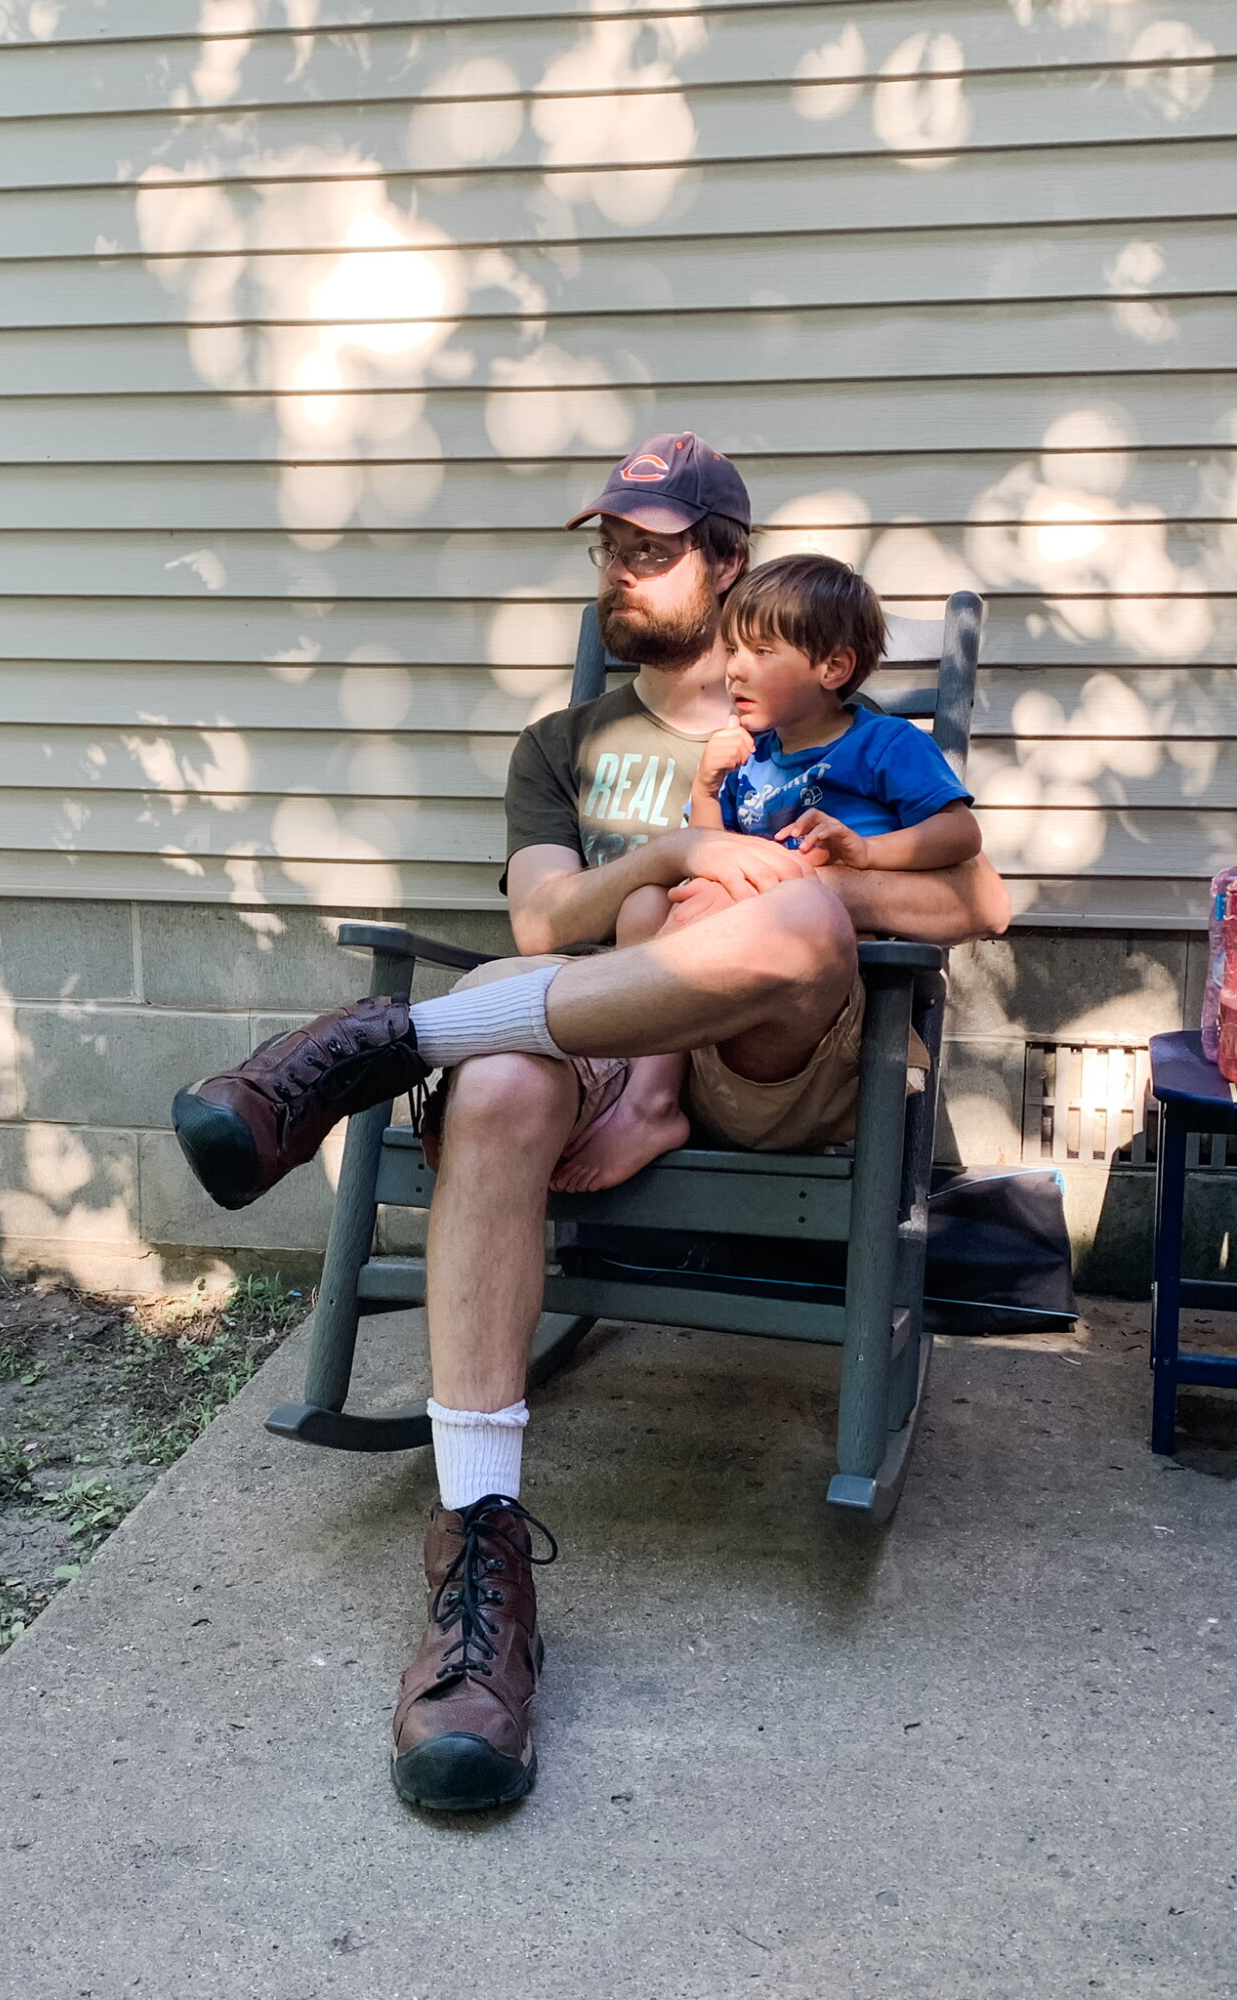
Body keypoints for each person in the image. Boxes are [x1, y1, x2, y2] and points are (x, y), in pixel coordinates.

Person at [172, 432, 1010, 1815]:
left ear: (728, 564)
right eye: (608, 545)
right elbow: (540, 923)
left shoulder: (827, 735)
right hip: (589, 1049)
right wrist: (683, 850)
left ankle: (389, 1041)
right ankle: (480, 1568)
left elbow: (971, 902)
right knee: (507, 1075)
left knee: (791, 916)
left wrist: (806, 885)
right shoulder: (567, 743)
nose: (618, 567)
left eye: (653, 546)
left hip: (770, 1058)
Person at [553, 549, 982, 1194]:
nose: (733, 670)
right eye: (732, 651)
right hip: (734, 972)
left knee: (688, 909)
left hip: (835, 980)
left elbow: (960, 832)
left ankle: (646, 1105)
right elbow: (708, 850)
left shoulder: (886, 745)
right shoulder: (751, 759)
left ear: (832, 667)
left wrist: (866, 854)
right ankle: (643, 1090)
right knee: (644, 903)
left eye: (759, 652)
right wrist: (706, 784)